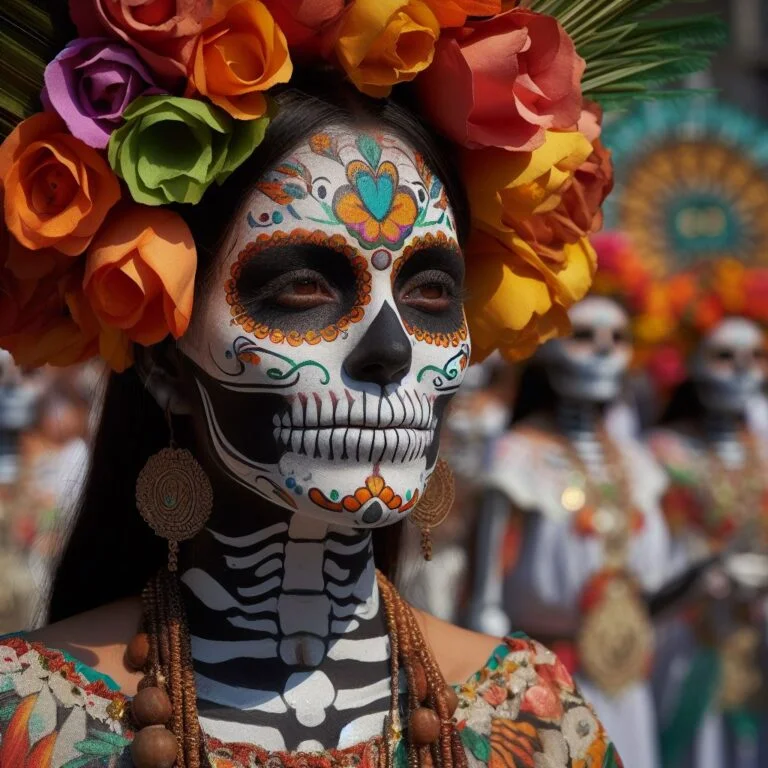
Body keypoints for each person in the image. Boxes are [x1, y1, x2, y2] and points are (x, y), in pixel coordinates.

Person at [0, 1, 716, 766]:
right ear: (163, 362)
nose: (391, 349)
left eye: (430, 294)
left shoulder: (534, 723)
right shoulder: (29, 716)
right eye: (304, 289)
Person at [465, 233, 674, 768]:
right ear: (550, 344)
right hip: (545, 680)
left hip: (628, 678)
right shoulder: (517, 458)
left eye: (617, 337)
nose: (604, 350)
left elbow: (659, 577)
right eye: (585, 335)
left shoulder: (639, 463)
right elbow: (484, 591)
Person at [648, 262, 768, 768]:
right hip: (688, 634)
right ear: (692, 363)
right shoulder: (661, 453)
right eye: (724, 356)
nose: (742, 369)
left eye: (756, 356)